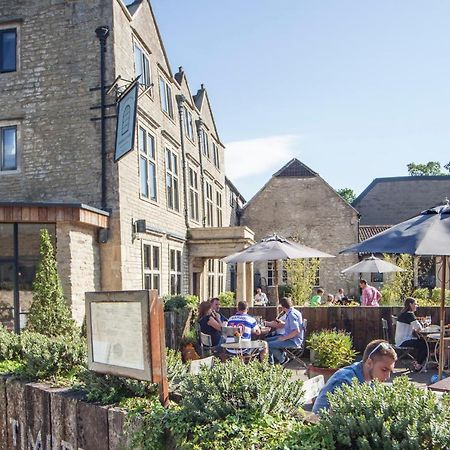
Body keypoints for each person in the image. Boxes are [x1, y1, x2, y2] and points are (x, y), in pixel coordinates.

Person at [312, 339, 397, 414]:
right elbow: (336, 419)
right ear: (369, 363)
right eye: (384, 370)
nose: (388, 376)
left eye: (390, 371)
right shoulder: (344, 381)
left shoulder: (369, 376)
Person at [266, 297, 303, 364]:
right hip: (290, 337)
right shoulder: (294, 312)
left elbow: (296, 331)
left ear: (283, 307)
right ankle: (270, 363)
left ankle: (283, 359)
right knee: (266, 342)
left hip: (293, 340)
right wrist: (283, 323)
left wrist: (284, 338)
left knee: (268, 345)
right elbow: (292, 325)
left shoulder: (292, 315)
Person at [395, 297, 427, 371]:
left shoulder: (403, 313)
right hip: (404, 340)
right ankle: (418, 365)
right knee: (424, 345)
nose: (416, 305)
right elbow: (419, 328)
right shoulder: (409, 314)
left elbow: (415, 328)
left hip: (400, 340)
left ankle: (417, 363)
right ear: (410, 304)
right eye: (415, 304)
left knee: (422, 342)